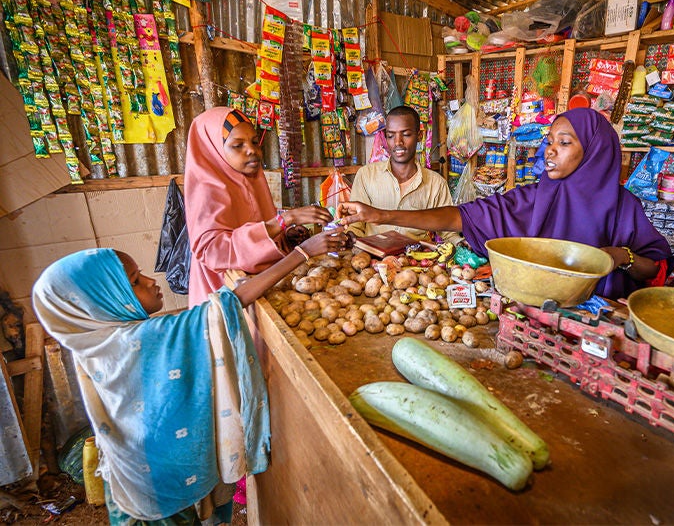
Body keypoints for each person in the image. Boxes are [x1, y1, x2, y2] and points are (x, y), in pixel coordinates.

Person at [31, 229, 347, 524]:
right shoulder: (136, 340)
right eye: (136, 281)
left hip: (132, 471)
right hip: (157, 480)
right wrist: (302, 254)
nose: (152, 281)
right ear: (105, 303)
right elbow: (225, 307)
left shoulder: (96, 339)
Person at [339, 108, 674, 299]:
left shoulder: (624, 207)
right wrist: (380, 214)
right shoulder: (535, 197)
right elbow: (459, 217)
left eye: (564, 142)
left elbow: (655, 268)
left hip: (599, 323)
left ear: (594, 151)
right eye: (549, 141)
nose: (550, 151)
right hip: (537, 314)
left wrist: (620, 256)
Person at [184, 107, 334, 308]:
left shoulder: (251, 179)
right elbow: (214, 252)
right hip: (223, 295)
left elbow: (255, 232)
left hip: (255, 288)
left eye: (255, 142)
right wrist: (284, 220)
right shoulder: (207, 189)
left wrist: (283, 237)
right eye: (238, 145)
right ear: (213, 149)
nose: (251, 150)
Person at [346, 105, 462, 244]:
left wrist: (462, 244)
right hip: (373, 260)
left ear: (419, 136)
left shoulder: (436, 183)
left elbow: (448, 233)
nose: (397, 142)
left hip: (417, 261)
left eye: (406, 134)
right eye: (390, 135)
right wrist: (350, 235)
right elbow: (356, 226)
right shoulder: (366, 175)